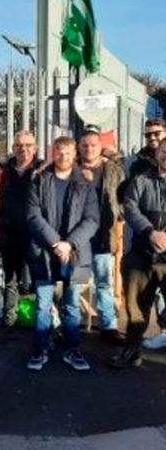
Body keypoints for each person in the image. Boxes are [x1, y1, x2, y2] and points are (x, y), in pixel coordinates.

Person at [25, 137, 99, 372]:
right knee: (43, 305)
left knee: (71, 306)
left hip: (73, 254)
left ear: (74, 154)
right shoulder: (39, 180)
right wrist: (56, 243)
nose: (63, 157)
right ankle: (40, 348)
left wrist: (69, 244)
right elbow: (33, 216)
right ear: (52, 153)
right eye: (59, 152)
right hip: (46, 252)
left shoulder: (85, 184)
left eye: (68, 153)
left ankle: (72, 350)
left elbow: (92, 220)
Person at [109, 138, 166, 368]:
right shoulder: (141, 180)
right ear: (158, 153)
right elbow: (130, 207)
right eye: (163, 151)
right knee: (135, 309)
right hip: (142, 254)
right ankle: (132, 349)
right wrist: (151, 232)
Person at [0, 130, 43, 344]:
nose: (24, 149)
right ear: (13, 148)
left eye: (28, 145)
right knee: (10, 281)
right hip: (9, 233)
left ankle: (45, 323)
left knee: (40, 281)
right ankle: (8, 323)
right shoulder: (2, 172)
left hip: (35, 234)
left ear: (35, 147)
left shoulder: (43, 169)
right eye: (19, 145)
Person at [78, 128, 126, 344]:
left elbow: (124, 196)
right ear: (79, 147)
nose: (89, 149)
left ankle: (108, 326)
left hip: (104, 235)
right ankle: (69, 324)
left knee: (104, 283)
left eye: (93, 145)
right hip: (78, 236)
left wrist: (120, 221)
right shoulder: (72, 169)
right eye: (85, 145)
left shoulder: (113, 170)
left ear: (100, 147)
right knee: (74, 282)